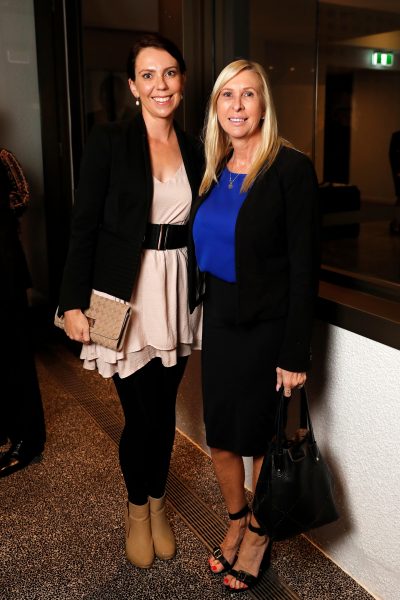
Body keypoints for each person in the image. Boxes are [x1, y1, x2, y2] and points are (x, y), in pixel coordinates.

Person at [57, 33, 202, 569]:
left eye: (169, 73)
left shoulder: (195, 147)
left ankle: (158, 505)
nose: (160, 84)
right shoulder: (109, 140)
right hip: (123, 293)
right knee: (139, 415)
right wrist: (73, 302)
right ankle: (136, 511)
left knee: (163, 412)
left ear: (182, 82)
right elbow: (84, 225)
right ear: (132, 87)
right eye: (148, 75)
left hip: (176, 293)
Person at [189, 59, 320, 592]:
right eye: (227, 96)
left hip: (267, 329)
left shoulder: (290, 168)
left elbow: (304, 267)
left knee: (263, 440)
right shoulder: (214, 167)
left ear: (264, 104)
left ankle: (261, 533)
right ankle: (236, 518)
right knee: (220, 437)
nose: (237, 107)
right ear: (216, 108)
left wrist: (294, 354)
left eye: (248, 95)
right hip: (219, 322)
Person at [0, 147, 46, 478]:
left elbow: (24, 197)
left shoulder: (2, 157)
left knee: (15, 356)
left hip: (4, 270)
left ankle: (27, 441)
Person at [389, 130, 400, 235]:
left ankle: (395, 223)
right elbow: (392, 156)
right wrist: (397, 171)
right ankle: (395, 223)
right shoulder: (397, 136)